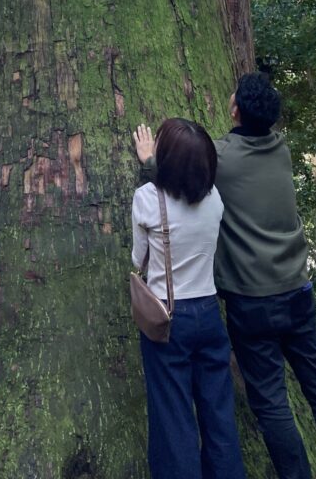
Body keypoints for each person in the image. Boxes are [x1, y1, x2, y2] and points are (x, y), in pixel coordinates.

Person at [134, 74, 316, 479]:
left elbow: (183, 175)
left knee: (271, 400)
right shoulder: (282, 149)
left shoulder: (222, 160)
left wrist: (149, 162)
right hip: (298, 289)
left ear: (235, 110)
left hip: (252, 301)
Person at [131, 117, 247, 479]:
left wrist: (147, 164)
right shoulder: (215, 200)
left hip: (168, 318)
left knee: (174, 419)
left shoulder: (147, 198)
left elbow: (137, 260)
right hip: (209, 315)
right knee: (219, 415)